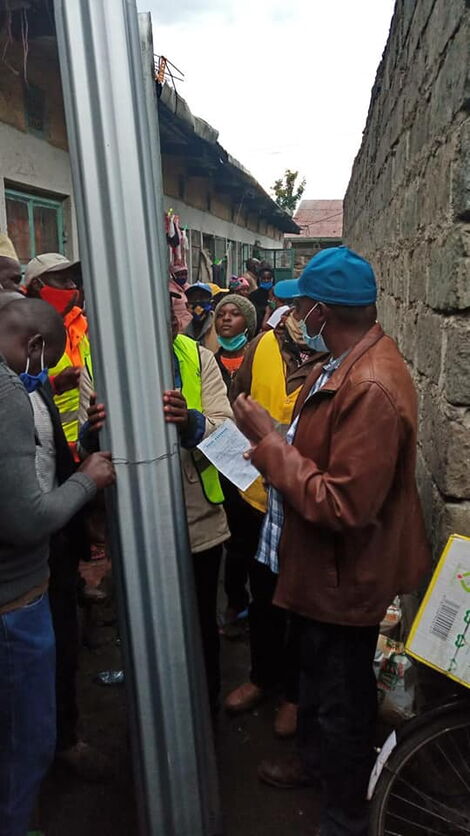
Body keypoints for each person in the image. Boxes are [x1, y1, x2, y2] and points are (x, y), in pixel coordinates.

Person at [232, 246, 430, 836]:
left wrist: (270, 445)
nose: (294, 317)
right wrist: (277, 438)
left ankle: (344, 816)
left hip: (346, 577)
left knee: (343, 702)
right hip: (326, 573)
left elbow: (342, 503)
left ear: (321, 312)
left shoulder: (368, 385)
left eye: (301, 308)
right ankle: (317, 768)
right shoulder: (341, 363)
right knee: (321, 686)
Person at [0, 297, 115, 836]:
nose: (44, 375)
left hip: (29, 584)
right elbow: (25, 519)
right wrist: (87, 481)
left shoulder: (21, 382)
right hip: (12, 602)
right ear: (35, 347)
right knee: (26, 738)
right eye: (44, 363)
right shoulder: (5, 392)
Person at [223, 292, 321, 738]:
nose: (306, 313)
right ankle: (262, 676)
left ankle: (296, 696)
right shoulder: (264, 343)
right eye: (301, 304)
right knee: (263, 595)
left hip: (305, 499)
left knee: (302, 603)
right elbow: (236, 394)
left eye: (314, 304)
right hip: (257, 496)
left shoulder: (337, 361)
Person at [163, 302, 233, 714]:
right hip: (136, 527)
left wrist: (192, 422)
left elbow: (227, 435)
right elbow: (90, 445)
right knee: (149, 622)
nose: (175, 317)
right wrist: (92, 434)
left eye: (175, 310)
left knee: (201, 618)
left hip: (199, 520)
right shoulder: (99, 360)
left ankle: (204, 709)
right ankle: (158, 711)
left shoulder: (198, 357)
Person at [25, 253, 93, 459]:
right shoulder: (22, 331)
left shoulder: (80, 323)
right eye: (63, 280)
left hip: (87, 446)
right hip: (47, 453)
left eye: (73, 280)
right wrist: (54, 386)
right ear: (37, 284)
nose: (72, 287)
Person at [213, 293, 257, 388]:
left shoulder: (257, 360)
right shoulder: (209, 363)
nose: (226, 318)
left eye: (235, 314)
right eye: (220, 315)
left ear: (248, 323)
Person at [184, 282, 219, 353]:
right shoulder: (184, 329)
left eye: (202, 298)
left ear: (211, 302)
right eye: (193, 298)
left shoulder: (219, 325)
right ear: (187, 305)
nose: (197, 302)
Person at [249, 265, 274, 332]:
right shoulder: (253, 295)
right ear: (260, 279)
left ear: (272, 279)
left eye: (268, 278)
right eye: (264, 278)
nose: (266, 280)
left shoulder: (276, 294)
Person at [169, 264, 192, 331]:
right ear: (174, 275)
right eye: (180, 274)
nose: (183, 277)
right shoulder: (171, 291)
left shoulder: (188, 288)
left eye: (185, 274)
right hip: (179, 329)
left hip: (189, 327)